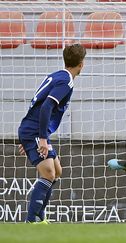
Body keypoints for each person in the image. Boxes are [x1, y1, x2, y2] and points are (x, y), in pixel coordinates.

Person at [18, 44, 86, 223]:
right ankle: (31, 220)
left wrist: (32, 137)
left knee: (56, 171)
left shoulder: (57, 75)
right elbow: (46, 106)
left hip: (33, 130)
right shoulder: (66, 81)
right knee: (48, 173)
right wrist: (40, 138)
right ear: (81, 64)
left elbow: (39, 104)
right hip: (35, 131)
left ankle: (40, 217)